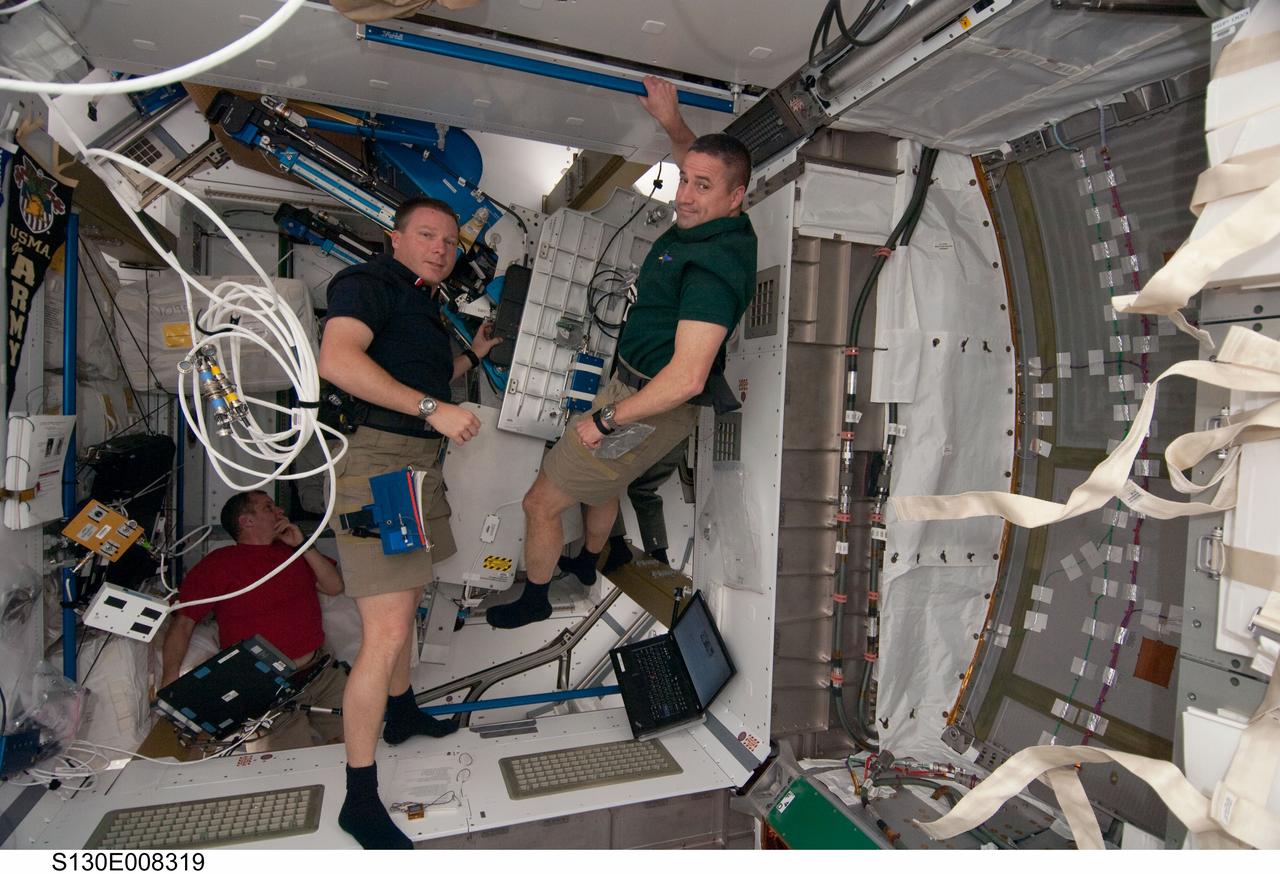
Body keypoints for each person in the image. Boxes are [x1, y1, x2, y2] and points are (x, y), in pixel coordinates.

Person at [489, 76, 756, 630]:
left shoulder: (712, 272)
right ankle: (588, 563)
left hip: (649, 402)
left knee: (541, 503)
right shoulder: (716, 219)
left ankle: (536, 598)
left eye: (702, 187)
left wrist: (606, 421)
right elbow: (700, 161)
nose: (684, 196)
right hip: (636, 389)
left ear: (736, 197)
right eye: (684, 181)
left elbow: (687, 378)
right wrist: (671, 121)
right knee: (606, 483)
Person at [318, 195, 501, 850]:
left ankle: (400, 714)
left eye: (449, 242)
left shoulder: (422, 300)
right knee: (387, 632)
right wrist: (432, 410)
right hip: (382, 469)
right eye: (427, 235)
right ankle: (360, 799)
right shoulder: (367, 282)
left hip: (415, 469)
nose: (440, 249)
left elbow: (422, 374)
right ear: (394, 238)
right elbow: (339, 362)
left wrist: (472, 357)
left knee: (408, 602)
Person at [160, 491, 347, 752]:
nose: (280, 511)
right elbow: (183, 624)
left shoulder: (292, 553)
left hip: (320, 672)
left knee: (358, 747)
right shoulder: (219, 564)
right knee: (288, 765)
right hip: (265, 691)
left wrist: (303, 545)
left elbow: (334, 586)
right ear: (246, 521)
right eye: (269, 507)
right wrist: (170, 682)